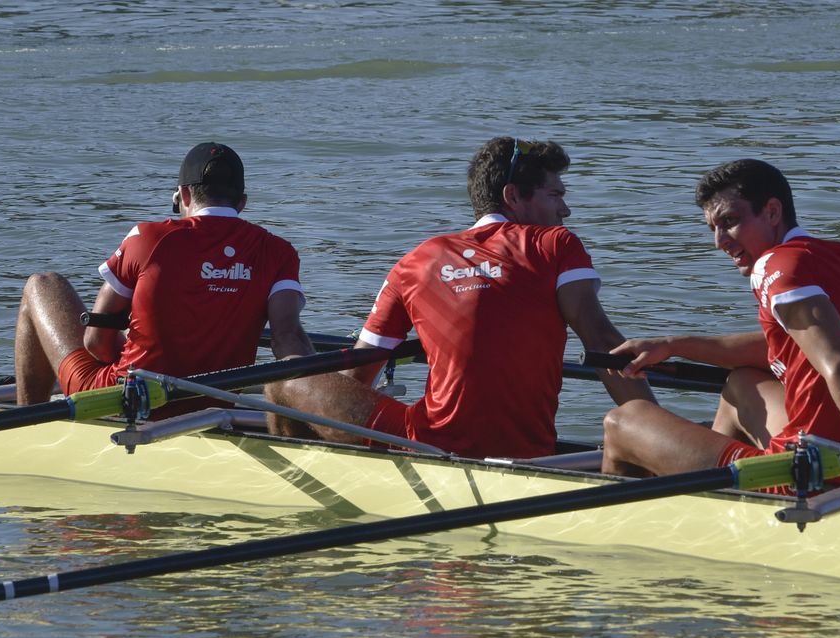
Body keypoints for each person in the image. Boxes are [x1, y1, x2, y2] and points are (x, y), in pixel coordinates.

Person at [265, 137, 655, 460]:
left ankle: (316, 476)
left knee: (282, 383)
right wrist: (655, 439)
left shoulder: (415, 261)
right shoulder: (555, 244)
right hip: (525, 449)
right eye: (555, 195)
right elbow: (603, 345)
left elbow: (358, 375)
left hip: (421, 440)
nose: (565, 210)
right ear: (513, 196)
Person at [600, 158, 840, 504]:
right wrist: (673, 345)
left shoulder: (774, 264)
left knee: (622, 421)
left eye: (730, 222)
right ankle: (704, 496)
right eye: (713, 228)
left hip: (810, 475)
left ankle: (639, 517)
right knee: (740, 383)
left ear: (771, 212)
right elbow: (793, 346)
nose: (720, 241)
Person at [13, 142, 313, 407]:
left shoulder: (148, 238)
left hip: (125, 395)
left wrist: (136, 344)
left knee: (42, 284)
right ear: (242, 202)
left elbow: (96, 342)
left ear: (183, 194)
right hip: (216, 399)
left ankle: (25, 424)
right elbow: (287, 340)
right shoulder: (278, 252)